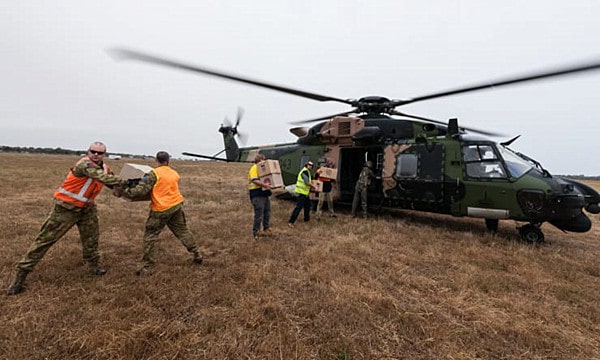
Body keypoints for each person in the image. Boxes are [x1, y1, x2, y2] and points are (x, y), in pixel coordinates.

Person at [6, 141, 126, 295]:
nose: (95, 155)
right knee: (44, 240)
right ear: (88, 151)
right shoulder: (84, 165)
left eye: (99, 153)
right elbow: (106, 179)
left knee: (91, 239)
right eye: (93, 151)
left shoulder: (105, 168)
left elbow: (112, 184)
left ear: (105, 154)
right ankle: (20, 277)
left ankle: (94, 266)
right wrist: (126, 181)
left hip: (87, 210)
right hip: (65, 209)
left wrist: (128, 189)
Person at [119, 151, 202, 276]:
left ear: (156, 161)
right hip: (176, 205)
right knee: (182, 231)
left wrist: (123, 191)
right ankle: (197, 253)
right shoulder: (174, 173)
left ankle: (148, 265)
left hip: (161, 209)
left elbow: (139, 192)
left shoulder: (153, 174)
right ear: (168, 161)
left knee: (150, 236)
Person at [248, 154, 272, 240]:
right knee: (259, 215)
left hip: (264, 194)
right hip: (257, 195)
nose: (264, 161)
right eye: (263, 159)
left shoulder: (261, 169)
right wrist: (265, 185)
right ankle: (256, 232)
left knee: (267, 212)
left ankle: (266, 229)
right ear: (259, 160)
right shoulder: (255, 168)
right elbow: (254, 180)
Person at [288, 160, 317, 227]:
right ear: (306, 165)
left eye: (312, 165)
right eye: (309, 165)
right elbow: (307, 182)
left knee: (307, 206)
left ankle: (306, 219)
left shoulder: (308, 172)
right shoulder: (304, 172)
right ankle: (291, 222)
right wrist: (314, 187)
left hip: (305, 193)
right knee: (298, 207)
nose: (311, 166)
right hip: (301, 193)